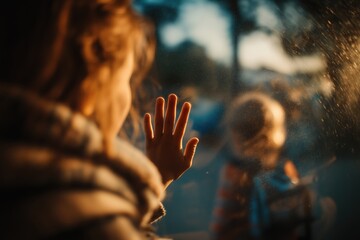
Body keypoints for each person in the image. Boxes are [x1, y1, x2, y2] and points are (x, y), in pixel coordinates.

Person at [0, 0, 198, 239]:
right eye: (126, 79)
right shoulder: (87, 219)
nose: (130, 94)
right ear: (92, 83)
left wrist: (159, 176)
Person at [210, 92, 309, 240]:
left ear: (236, 137)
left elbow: (221, 225)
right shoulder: (287, 168)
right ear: (276, 133)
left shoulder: (234, 174)